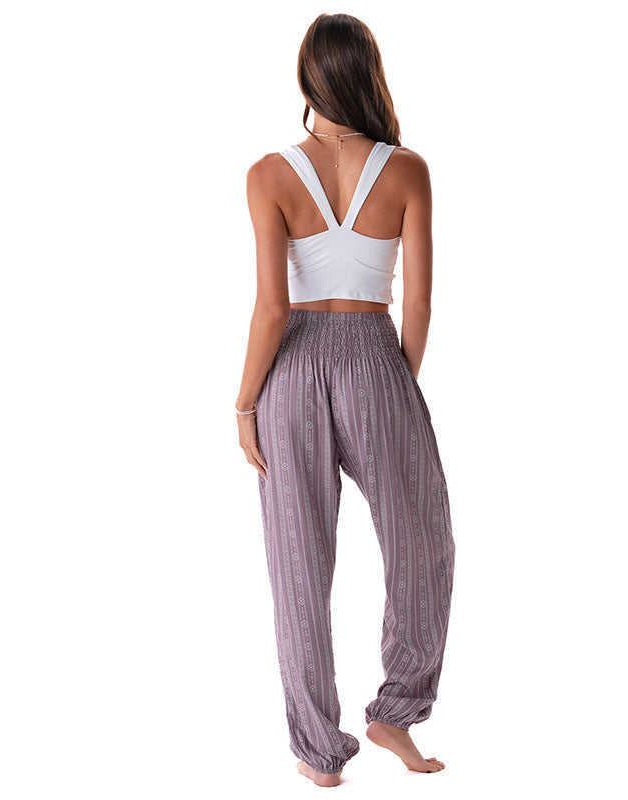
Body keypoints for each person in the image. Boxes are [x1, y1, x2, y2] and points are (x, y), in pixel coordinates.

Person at [235, 13, 456, 787]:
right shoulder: (407, 170)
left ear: (307, 78)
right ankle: (396, 712)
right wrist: (397, 383)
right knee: (423, 539)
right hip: (374, 353)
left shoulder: (268, 174)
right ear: (369, 73)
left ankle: (318, 754)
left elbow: (271, 308)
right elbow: (418, 302)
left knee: (297, 560)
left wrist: (244, 404)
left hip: (289, 367)